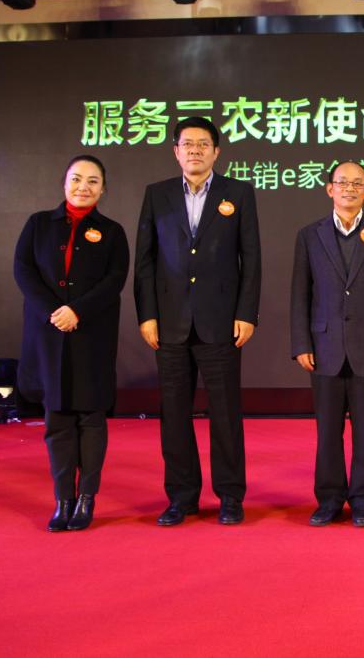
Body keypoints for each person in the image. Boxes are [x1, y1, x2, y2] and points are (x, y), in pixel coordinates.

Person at [134, 117, 261, 527]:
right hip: (169, 322)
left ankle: (230, 496)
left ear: (216, 151)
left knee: (225, 414)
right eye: (187, 144)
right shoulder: (157, 195)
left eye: (203, 144)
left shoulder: (238, 193)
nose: (195, 150)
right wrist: (147, 314)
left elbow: (251, 259)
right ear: (176, 151)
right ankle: (181, 497)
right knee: (174, 415)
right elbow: (145, 261)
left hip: (221, 321)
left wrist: (246, 313)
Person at [13, 154, 129, 532]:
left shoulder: (112, 232)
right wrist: (55, 311)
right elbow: (23, 272)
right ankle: (63, 499)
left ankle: (86, 498)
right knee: (57, 418)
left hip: (91, 334)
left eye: (93, 181)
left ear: (103, 189)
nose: (83, 187)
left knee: (91, 418)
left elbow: (114, 281)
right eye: (76, 179)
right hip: (49, 334)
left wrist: (77, 310)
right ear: (64, 183)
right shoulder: (38, 225)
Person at [290, 161, 364, 527]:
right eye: (343, 182)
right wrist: (301, 343)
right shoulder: (310, 235)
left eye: (358, 183)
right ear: (330, 189)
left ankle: (363, 501)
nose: (350, 189)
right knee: (327, 432)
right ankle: (328, 499)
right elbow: (300, 294)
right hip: (323, 346)